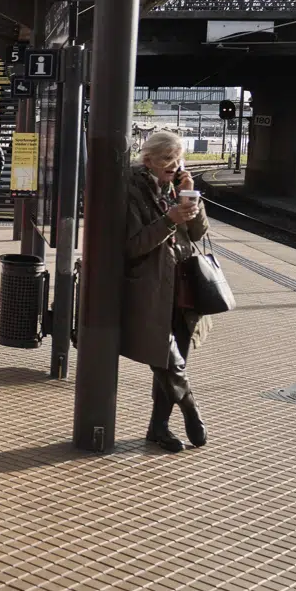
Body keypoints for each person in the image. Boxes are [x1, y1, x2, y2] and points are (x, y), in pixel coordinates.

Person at [122, 130, 211, 453]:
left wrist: (191, 199)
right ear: (149, 161)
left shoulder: (177, 185)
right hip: (152, 288)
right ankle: (191, 410)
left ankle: (158, 428)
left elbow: (199, 233)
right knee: (166, 359)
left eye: (178, 161)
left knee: (175, 363)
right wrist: (169, 220)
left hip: (184, 288)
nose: (174, 168)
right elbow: (132, 246)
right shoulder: (132, 189)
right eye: (168, 163)